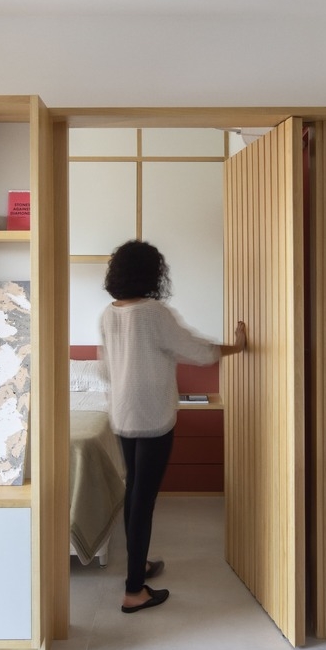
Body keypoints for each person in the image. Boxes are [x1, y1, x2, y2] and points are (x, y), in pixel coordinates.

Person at [98, 240, 247, 614]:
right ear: (152, 273)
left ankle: (139, 564)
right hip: (152, 417)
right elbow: (196, 350)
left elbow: (103, 370)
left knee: (134, 490)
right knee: (143, 500)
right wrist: (236, 347)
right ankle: (135, 590)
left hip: (122, 414)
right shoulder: (153, 313)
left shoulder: (108, 314)